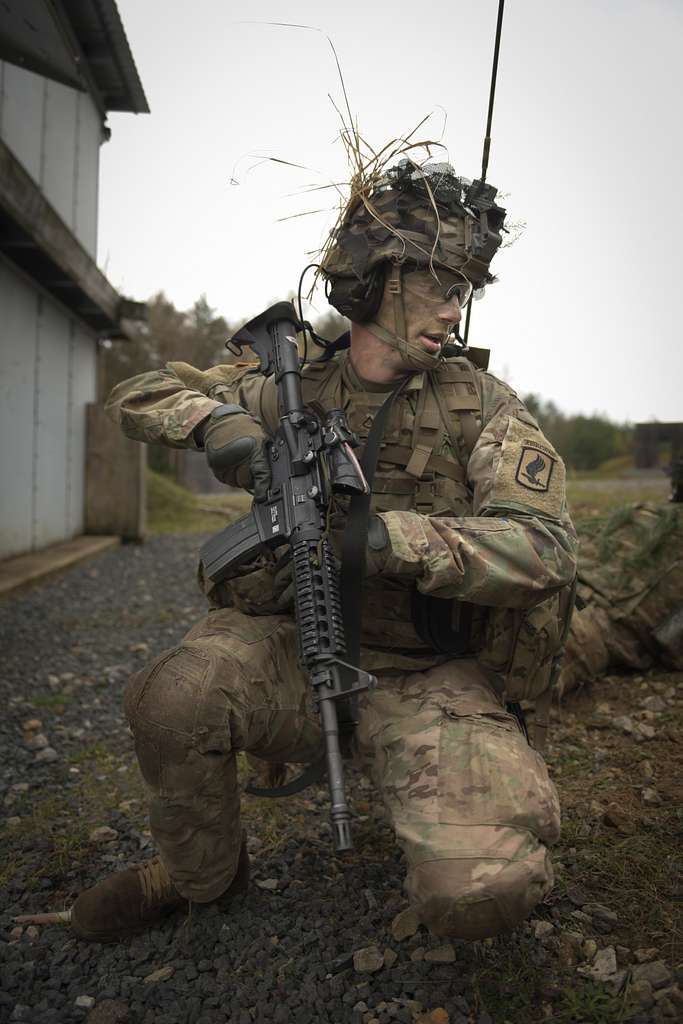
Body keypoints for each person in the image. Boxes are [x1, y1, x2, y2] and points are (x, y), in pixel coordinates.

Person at [72, 162, 577, 943]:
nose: (455, 308)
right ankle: (198, 872)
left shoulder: (483, 407)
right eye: (439, 284)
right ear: (373, 283)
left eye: (463, 290)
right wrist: (218, 424)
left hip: (426, 675)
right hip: (292, 651)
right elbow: (138, 392)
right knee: (174, 696)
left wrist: (386, 538)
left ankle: (459, 817)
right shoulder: (290, 383)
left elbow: (542, 549)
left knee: (479, 897)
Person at [559, 501, 683, 697]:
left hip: (560, 590)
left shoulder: (644, 512)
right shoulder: (648, 515)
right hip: (593, 621)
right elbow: (670, 649)